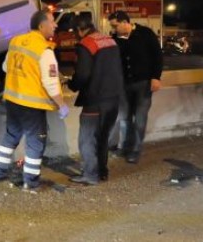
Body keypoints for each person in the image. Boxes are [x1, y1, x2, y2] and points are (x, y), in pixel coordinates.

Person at [0, 9, 69, 193]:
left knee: (10, 137)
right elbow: (51, 82)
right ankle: (30, 184)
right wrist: (61, 104)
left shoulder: (16, 41)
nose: (55, 25)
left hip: (13, 101)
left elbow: (5, 66)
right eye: (52, 22)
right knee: (35, 143)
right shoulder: (44, 50)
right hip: (32, 106)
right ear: (42, 26)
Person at [66, 14, 123, 185]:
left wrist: (72, 84)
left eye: (74, 31)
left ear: (79, 29)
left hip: (95, 99)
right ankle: (102, 172)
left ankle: (90, 175)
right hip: (113, 98)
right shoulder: (110, 40)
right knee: (103, 137)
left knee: (87, 138)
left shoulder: (86, 44)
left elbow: (83, 74)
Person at [107, 10, 163, 164]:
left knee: (139, 118)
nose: (114, 29)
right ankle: (124, 146)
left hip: (143, 84)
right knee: (124, 118)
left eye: (115, 26)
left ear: (125, 22)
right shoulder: (115, 39)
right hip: (124, 85)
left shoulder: (145, 34)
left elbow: (157, 56)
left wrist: (156, 77)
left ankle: (135, 150)